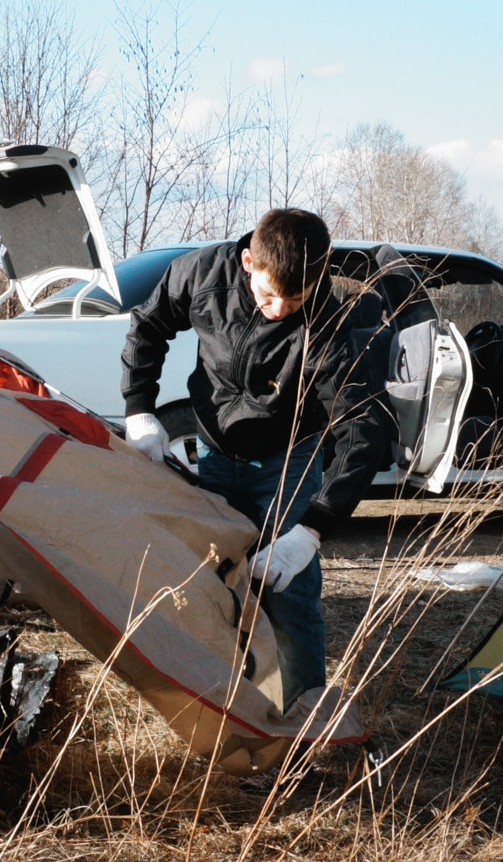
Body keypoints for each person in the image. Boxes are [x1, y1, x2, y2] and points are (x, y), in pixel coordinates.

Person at [118, 208, 386, 717]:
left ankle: (301, 720)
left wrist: (312, 531)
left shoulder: (328, 326)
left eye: (296, 298)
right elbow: (147, 325)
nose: (280, 309)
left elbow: (364, 431)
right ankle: (229, 706)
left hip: (287, 458)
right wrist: (138, 411)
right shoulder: (202, 274)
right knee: (217, 578)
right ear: (247, 261)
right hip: (216, 451)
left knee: (288, 593)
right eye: (267, 295)